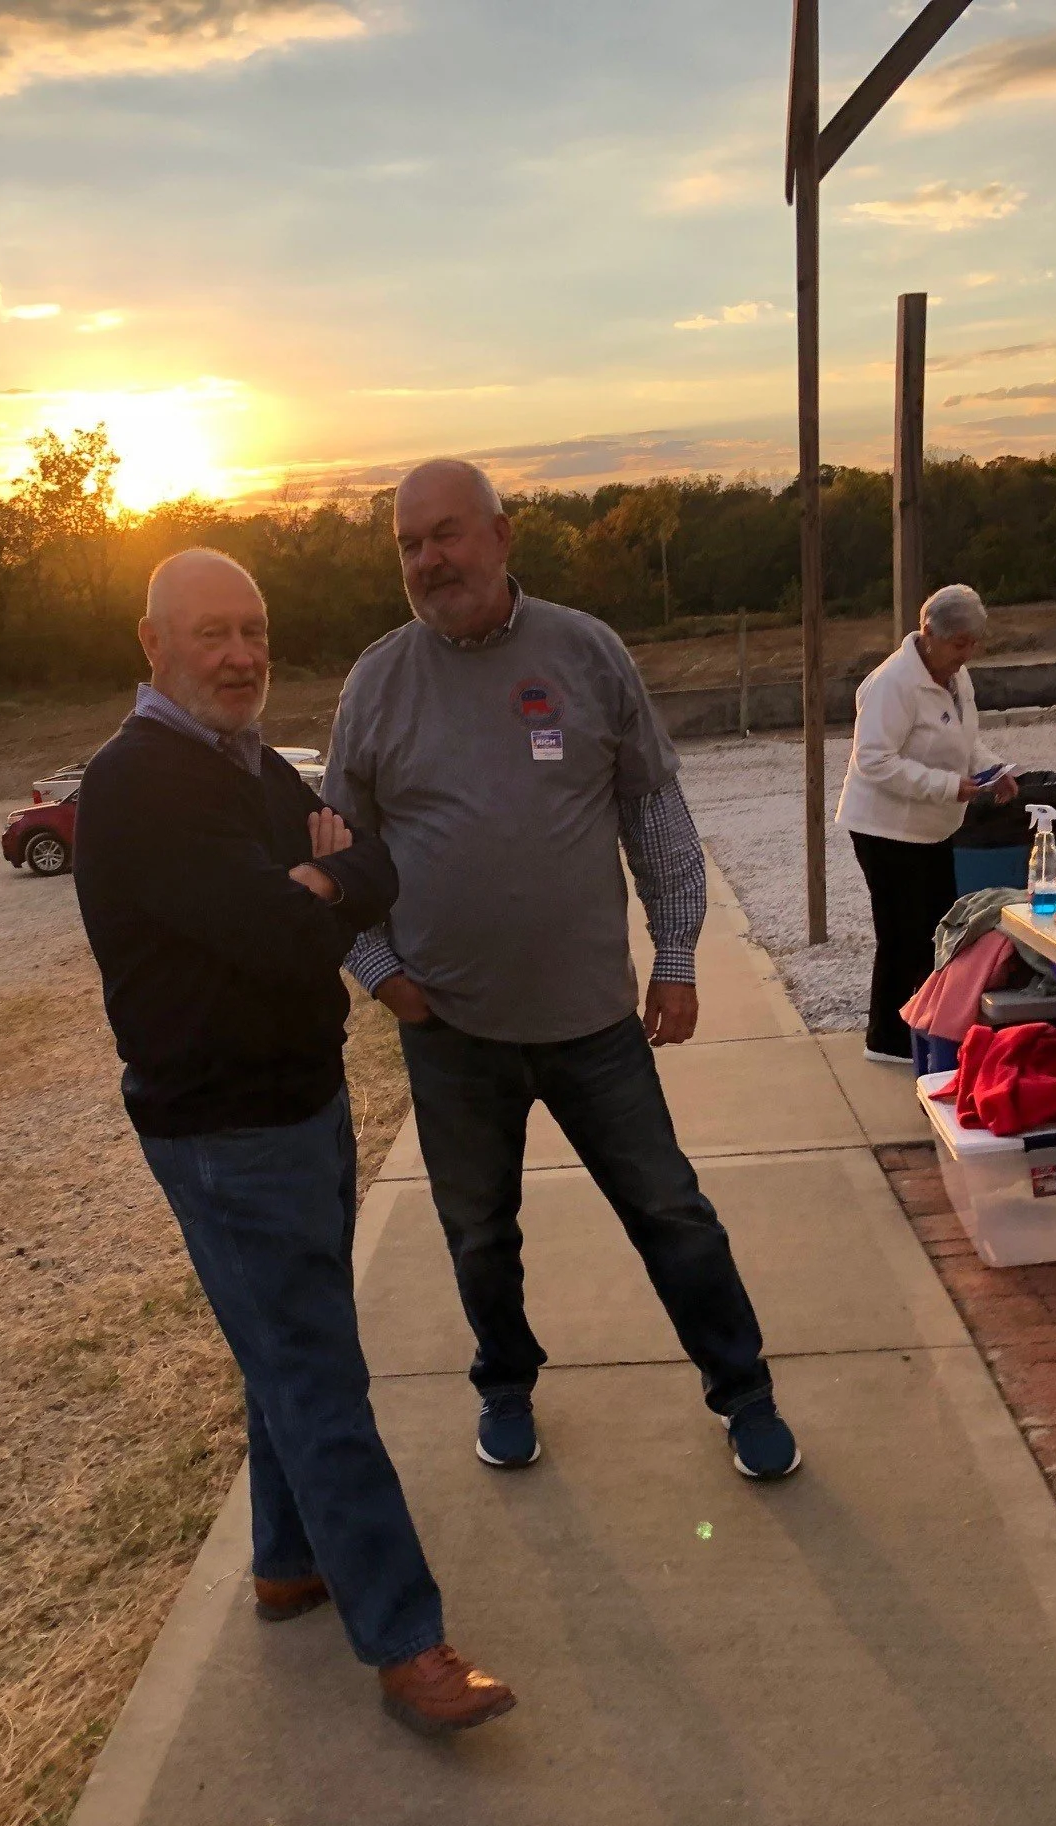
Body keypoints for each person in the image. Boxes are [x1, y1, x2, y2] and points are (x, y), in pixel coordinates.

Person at [72, 548, 514, 1737]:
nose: (240, 656)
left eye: (254, 631)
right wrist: (320, 881)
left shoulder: (253, 766)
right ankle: (407, 1644)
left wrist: (321, 876)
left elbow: (372, 865)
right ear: (153, 645)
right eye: (211, 633)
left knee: (290, 1351)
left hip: (301, 1102)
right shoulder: (140, 782)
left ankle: (285, 1562)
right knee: (318, 1376)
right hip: (223, 1130)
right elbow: (283, 932)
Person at [322, 461, 798, 1483]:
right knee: (478, 1234)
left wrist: (676, 959)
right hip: (450, 1033)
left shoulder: (584, 652)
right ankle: (505, 1385)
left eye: (446, 534)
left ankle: (744, 1393)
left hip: (593, 1026)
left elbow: (655, 817)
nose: (428, 560)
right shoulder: (378, 682)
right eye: (408, 544)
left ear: (502, 535)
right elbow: (336, 853)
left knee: (670, 1213)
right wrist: (380, 971)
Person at [835, 583, 1018, 1066]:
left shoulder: (957, 677)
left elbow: (965, 740)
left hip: (933, 826)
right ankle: (887, 1040)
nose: (967, 653)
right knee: (902, 933)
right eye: (959, 643)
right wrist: (946, 786)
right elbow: (874, 760)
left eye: (973, 643)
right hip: (884, 828)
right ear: (929, 633)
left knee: (939, 929)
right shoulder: (891, 683)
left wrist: (992, 769)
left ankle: (927, 1024)